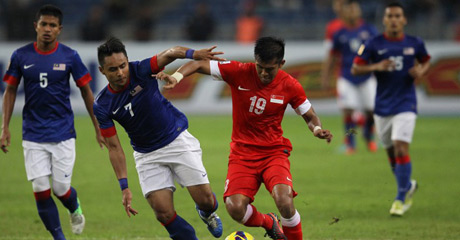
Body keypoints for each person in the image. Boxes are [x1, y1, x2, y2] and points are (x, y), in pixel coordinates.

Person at [156, 36, 333, 240]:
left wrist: (317, 129)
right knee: (235, 208)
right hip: (242, 154)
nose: (264, 73)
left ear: (281, 64)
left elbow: (310, 116)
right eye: (260, 67)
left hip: (273, 153)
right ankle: (269, 222)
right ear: (254, 60)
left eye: (270, 69)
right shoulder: (239, 72)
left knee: (284, 200)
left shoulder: (290, 85)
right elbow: (198, 64)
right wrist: (177, 77)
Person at [93, 37, 225, 239]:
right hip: (147, 154)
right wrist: (124, 187)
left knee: (206, 200)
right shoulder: (102, 105)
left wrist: (194, 54)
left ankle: (206, 213)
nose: (120, 73)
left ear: (128, 62)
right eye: (113, 69)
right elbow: (114, 147)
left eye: (123, 66)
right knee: (163, 213)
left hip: (176, 140)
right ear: (102, 71)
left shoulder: (141, 70)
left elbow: (171, 52)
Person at [0, 4, 105, 240]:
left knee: (60, 190)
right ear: (35, 26)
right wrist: (5, 127)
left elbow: (87, 92)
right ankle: (59, 237)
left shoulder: (70, 56)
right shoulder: (20, 56)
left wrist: (98, 126)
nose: (47, 29)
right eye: (43, 24)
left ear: (60, 30)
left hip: (63, 133)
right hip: (33, 133)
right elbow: (10, 91)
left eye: (52, 25)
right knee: (39, 187)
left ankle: (74, 205)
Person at [351, 2, 430, 216]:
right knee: (391, 152)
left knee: (401, 146)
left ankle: (400, 198)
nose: (394, 19)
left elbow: (426, 60)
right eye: (390, 16)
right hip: (382, 106)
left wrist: (420, 70)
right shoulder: (372, 44)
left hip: (406, 103)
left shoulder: (415, 43)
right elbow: (356, 68)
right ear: (384, 20)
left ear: (404, 20)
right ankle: (408, 185)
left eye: (397, 16)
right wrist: (376, 66)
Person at [320, 0, 378, 154]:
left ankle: (368, 135)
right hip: (346, 76)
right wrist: (325, 76)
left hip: (366, 76)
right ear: (344, 13)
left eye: (355, 9)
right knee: (348, 111)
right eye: (350, 9)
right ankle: (350, 141)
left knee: (371, 111)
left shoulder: (369, 30)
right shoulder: (339, 33)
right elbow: (332, 56)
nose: (353, 12)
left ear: (359, 11)